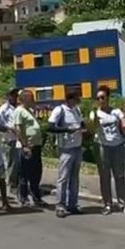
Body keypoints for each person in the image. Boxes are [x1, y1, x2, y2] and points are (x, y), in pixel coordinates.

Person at [90, 85, 125, 216]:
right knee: (104, 176)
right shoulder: (95, 113)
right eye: (98, 98)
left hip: (117, 145)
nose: (100, 100)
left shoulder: (116, 112)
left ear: (108, 98)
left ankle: (123, 204)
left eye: (103, 97)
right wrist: (95, 122)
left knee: (119, 175)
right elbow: (92, 130)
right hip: (102, 146)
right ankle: (107, 204)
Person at [48, 90, 86, 218]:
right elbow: (51, 127)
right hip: (66, 148)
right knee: (63, 177)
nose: (78, 100)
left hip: (77, 146)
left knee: (74, 177)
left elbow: (82, 123)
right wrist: (66, 129)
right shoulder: (60, 110)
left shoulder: (77, 110)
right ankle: (60, 205)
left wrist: (84, 129)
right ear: (70, 99)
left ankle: (72, 204)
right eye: (76, 98)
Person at [12, 89, 46, 207]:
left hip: (36, 146)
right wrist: (25, 145)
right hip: (26, 147)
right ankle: (23, 197)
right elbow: (18, 129)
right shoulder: (19, 111)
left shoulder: (30, 111)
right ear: (25, 99)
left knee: (36, 172)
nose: (33, 100)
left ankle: (36, 196)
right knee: (24, 173)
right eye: (31, 98)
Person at [0, 88, 21, 198]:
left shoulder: (19, 107)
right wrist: (9, 129)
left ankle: (20, 184)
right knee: (12, 164)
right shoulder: (4, 109)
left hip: (20, 139)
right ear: (8, 96)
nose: (15, 96)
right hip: (9, 139)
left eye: (16, 94)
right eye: (12, 94)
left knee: (20, 164)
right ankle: (12, 186)